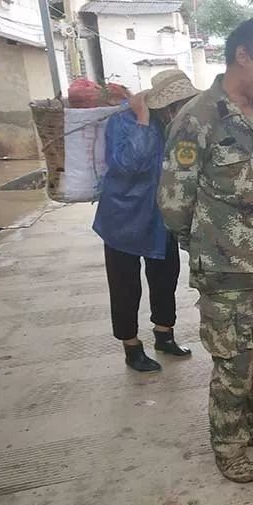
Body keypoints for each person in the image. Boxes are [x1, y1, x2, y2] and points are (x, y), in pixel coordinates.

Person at [158, 18, 253, 483]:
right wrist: (205, 245)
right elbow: (172, 204)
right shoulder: (198, 118)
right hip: (225, 270)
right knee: (234, 363)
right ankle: (228, 444)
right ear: (243, 55)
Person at [92, 69, 199, 372]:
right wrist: (141, 120)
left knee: (165, 278)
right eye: (177, 104)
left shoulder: (179, 128)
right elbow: (127, 166)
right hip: (123, 219)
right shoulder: (123, 123)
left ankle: (164, 335)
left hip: (161, 218)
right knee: (126, 287)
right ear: (163, 105)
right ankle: (131, 346)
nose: (181, 109)